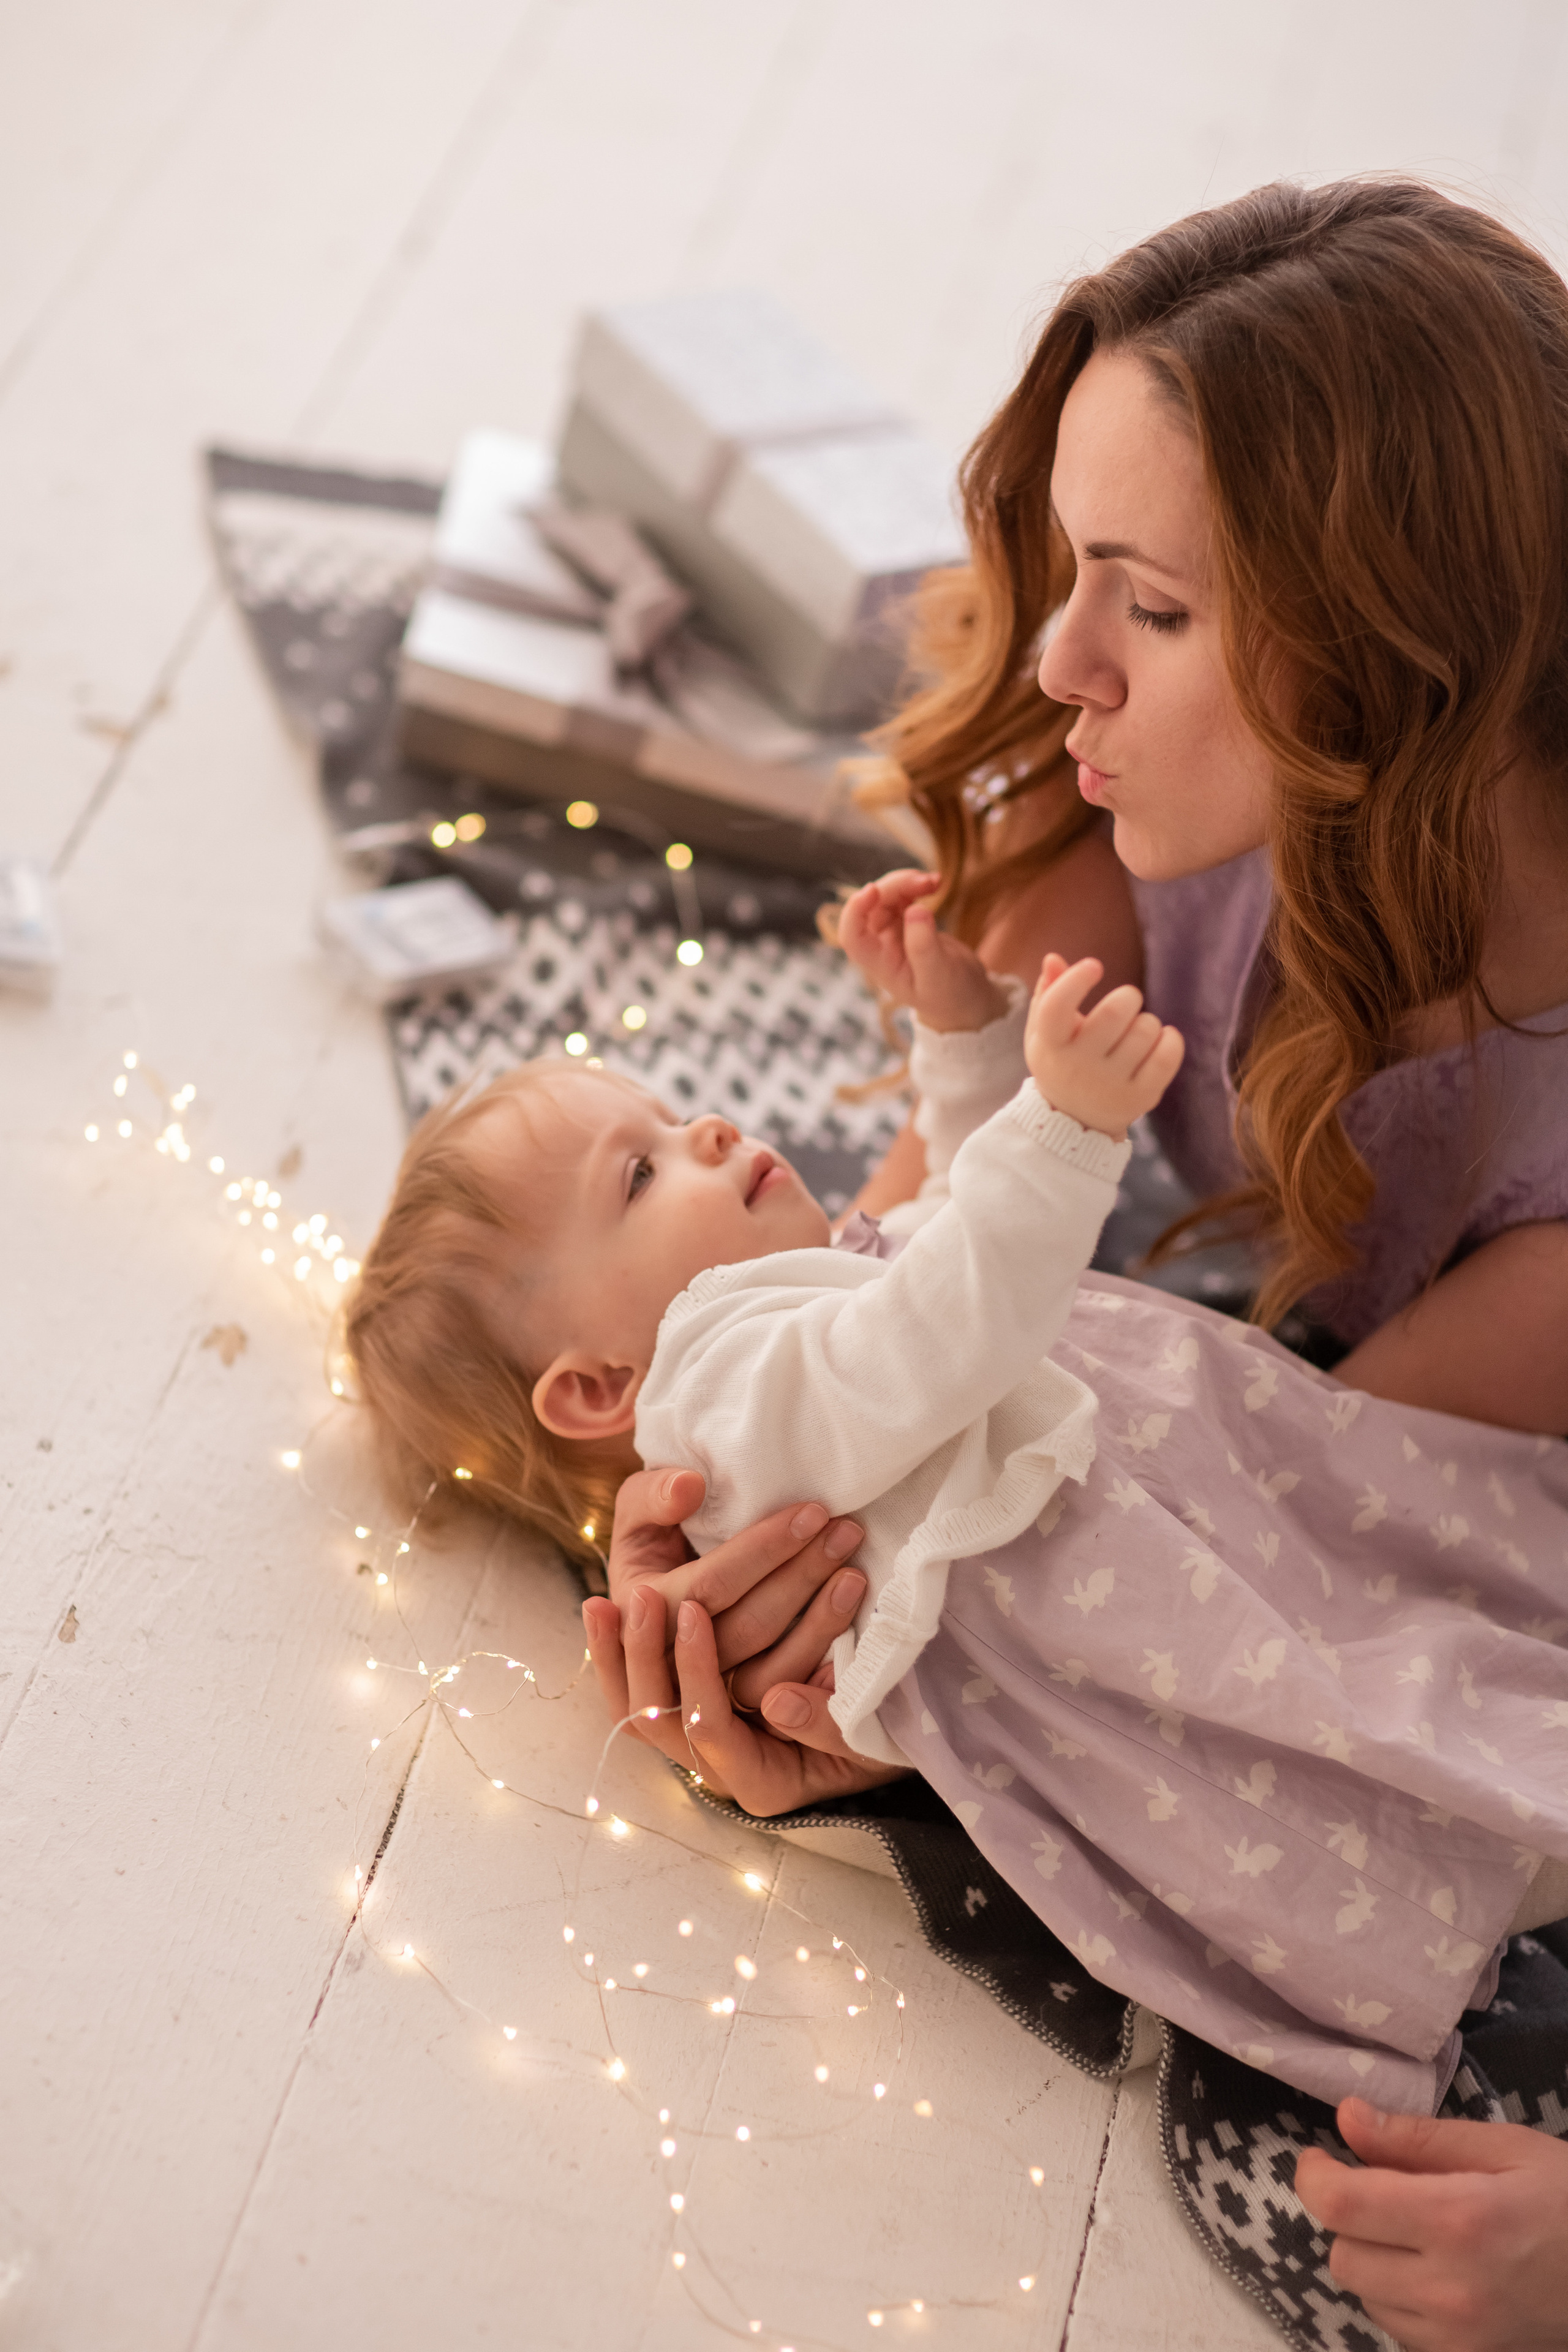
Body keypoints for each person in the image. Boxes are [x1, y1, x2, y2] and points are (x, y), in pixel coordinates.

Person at [594, 177, 1568, 2346]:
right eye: (1069, 568)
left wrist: (903, 1708)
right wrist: (772, 1523)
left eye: (1150, 605)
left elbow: (1296, 1623)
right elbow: (928, 1283)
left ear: (1397, 657)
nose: (1058, 667)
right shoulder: (1167, 838)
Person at [340, 860, 1568, 2122]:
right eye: (640, 1176)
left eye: (665, 1116)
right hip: (1148, 1602)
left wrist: (954, 1031)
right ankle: (1488, 1823)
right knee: (1335, 1695)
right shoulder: (709, 1400)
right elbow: (930, 1333)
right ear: (597, 1389)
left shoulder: (800, 1297)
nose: (702, 1132)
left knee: (1380, 1584)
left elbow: (945, 1217)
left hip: (1196, 1493)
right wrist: (1066, 1123)